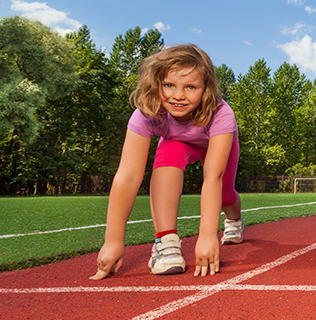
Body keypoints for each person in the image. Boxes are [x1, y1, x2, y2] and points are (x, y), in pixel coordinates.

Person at [90, 44, 243, 280]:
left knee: (225, 193)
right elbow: (128, 176)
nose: (178, 95)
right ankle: (166, 241)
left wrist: (207, 236)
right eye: (169, 85)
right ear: (156, 84)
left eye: (190, 87)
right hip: (177, 143)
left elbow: (213, 176)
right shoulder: (147, 114)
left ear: (206, 89)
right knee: (168, 153)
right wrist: (113, 240)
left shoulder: (221, 113)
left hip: (217, 142)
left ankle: (234, 219)